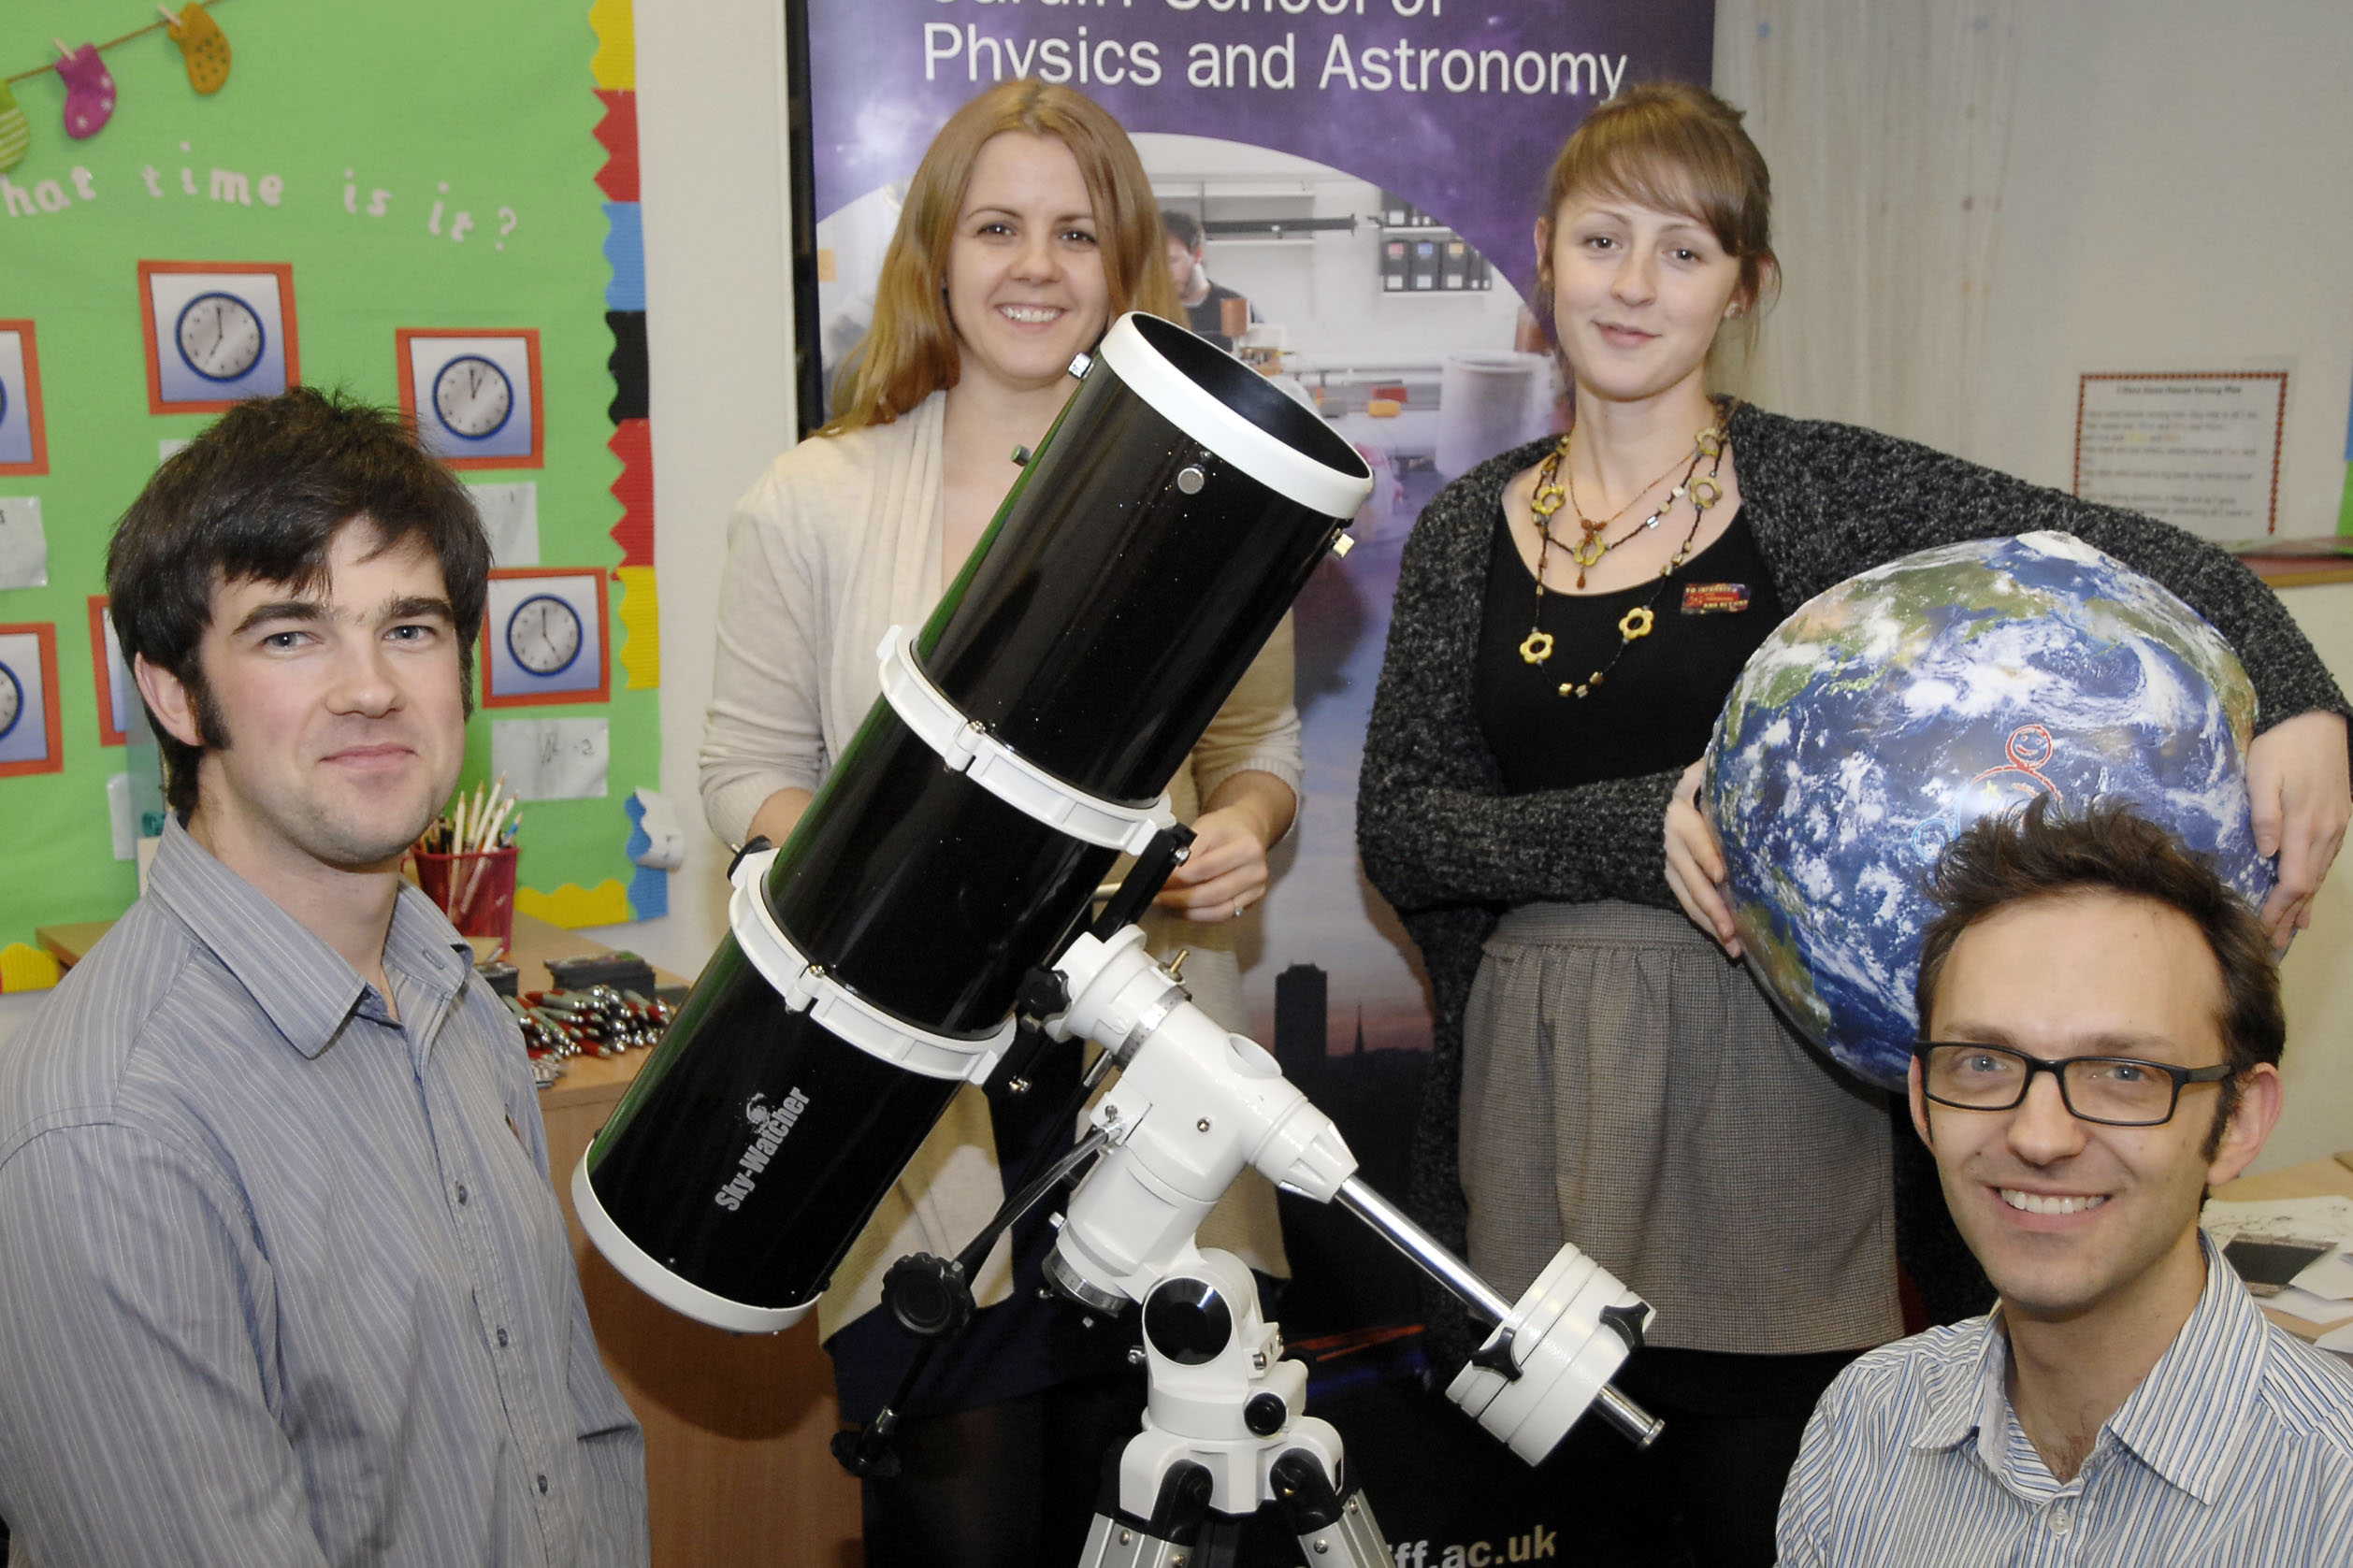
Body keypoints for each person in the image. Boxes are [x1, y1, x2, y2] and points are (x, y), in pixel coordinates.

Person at [1356, 81, 2351, 1567]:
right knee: (1570, 1516)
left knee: (1777, 1503)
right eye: (1605, 241)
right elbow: (1401, 826)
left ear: (1745, 288)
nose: (1635, 285)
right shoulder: (1462, 527)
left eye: (1685, 252)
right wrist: (1648, 825)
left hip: (1780, 1110)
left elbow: (2133, 550)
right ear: (1544, 256)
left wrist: (2304, 696)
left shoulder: (1822, 482)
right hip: (1544, 1099)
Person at [700, 79, 1302, 1567]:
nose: (1035, 265)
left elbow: (1263, 747)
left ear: (1129, 264)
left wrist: (1244, 824)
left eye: (1076, 233)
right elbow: (743, 772)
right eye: (997, 227)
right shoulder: (813, 500)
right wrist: (888, 875)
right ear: (936, 255)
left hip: (1145, 1110)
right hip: (921, 1139)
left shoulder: (1211, 502)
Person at [0, 388, 649, 1565]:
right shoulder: (113, 1129)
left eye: (409, 628)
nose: (370, 687)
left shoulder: (455, 1000)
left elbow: (566, 1438)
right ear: (174, 692)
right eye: (291, 634)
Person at [1776, 798, 2353, 1564]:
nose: (2040, 1137)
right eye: (1983, 1062)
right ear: (1922, 1101)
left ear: (2239, 1121)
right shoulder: (1864, 1422)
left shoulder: (2332, 1490)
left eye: (2124, 1072)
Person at [1163, 208, 1259, 352]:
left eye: (1172, 260)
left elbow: (1261, 364)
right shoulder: (1150, 309)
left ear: (1197, 254)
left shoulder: (1236, 308)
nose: (1164, 272)